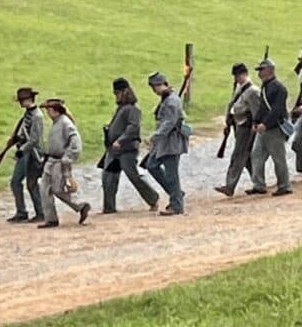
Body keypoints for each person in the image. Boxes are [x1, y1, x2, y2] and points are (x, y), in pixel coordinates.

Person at [101, 78, 159, 213]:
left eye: (117, 93)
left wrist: (120, 140)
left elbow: (133, 127)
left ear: (124, 92)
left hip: (127, 149)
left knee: (133, 176)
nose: (116, 96)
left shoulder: (133, 109)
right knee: (108, 177)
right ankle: (109, 207)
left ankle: (152, 198)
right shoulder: (121, 109)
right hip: (114, 150)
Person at [38, 99, 91, 228]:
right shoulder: (56, 123)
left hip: (60, 161)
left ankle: (80, 205)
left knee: (58, 190)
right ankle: (50, 219)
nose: (48, 112)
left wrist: (67, 158)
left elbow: (75, 143)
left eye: (49, 109)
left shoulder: (65, 123)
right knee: (44, 189)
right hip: (51, 160)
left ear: (56, 110)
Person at [247, 58, 293, 197]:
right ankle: (259, 185)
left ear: (269, 70)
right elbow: (263, 107)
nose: (259, 73)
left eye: (261, 70)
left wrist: (265, 124)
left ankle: (284, 185)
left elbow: (277, 110)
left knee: (278, 158)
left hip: (274, 128)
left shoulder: (279, 88)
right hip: (264, 128)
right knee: (256, 154)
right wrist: (256, 122)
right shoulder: (266, 86)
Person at [145, 72, 189, 215]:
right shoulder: (167, 99)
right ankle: (176, 193)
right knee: (151, 165)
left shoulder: (171, 101)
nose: (154, 90)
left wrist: (154, 137)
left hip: (171, 142)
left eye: (154, 87)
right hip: (164, 142)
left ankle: (176, 206)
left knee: (172, 175)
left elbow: (168, 123)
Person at [215, 62, 261, 197]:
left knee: (238, 155)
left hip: (246, 126)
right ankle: (259, 181)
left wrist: (254, 126)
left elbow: (256, 112)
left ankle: (230, 185)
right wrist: (228, 122)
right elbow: (232, 104)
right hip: (238, 124)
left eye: (238, 75)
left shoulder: (252, 91)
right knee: (246, 158)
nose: (236, 78)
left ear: (244, 74)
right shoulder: (240, 88)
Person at [7, 87, 44, 223]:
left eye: (22, 100)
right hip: (25, 152)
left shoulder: (37, 116)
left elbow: (34, 139)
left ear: (29, 99)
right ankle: (21, 211)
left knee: (31, 184)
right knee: (16, 182)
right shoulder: (28, 114)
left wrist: (21, 150)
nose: (20, 103)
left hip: (32, 153)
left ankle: (40, 212)